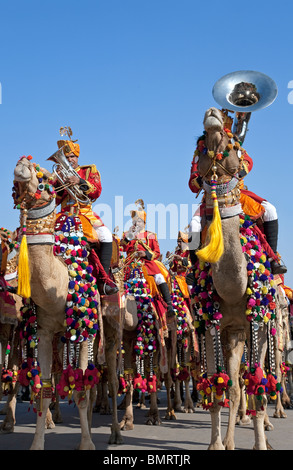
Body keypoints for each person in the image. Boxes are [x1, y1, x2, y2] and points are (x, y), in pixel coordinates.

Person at [188, 114, 287, 275]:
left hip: (236, 194)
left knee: (270, 210)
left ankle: (272, 258)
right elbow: (192, 182)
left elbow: (248, 161)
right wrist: (201, 180)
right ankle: (194, 269)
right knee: (194, 225)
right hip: (211, 198)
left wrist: (238, 173)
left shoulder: (233, 144)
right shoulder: (200, 151)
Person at [52, 130, 118, 295]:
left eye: (72, 157)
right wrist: (61, 183)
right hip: (63, 215)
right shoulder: (57, 174)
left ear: (77, 157)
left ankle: (104, 280)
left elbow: (96, 191)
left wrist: (79, 181)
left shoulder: (89, 170)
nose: (69, 160)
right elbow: (54, 200)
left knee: (105, 234)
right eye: (66, 157)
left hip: (84, 213)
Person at [120, 203, 175, 318]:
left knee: (159, 277)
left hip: (147, 263)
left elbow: (157, 253)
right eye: (135, 221)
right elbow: (122, 247)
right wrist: (130, 235)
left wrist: (145, 253)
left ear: (144, 223)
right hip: (130, 263)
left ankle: (169, 305)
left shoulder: (150, 235)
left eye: (139, 221)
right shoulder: (127, 234)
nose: (136, 223)